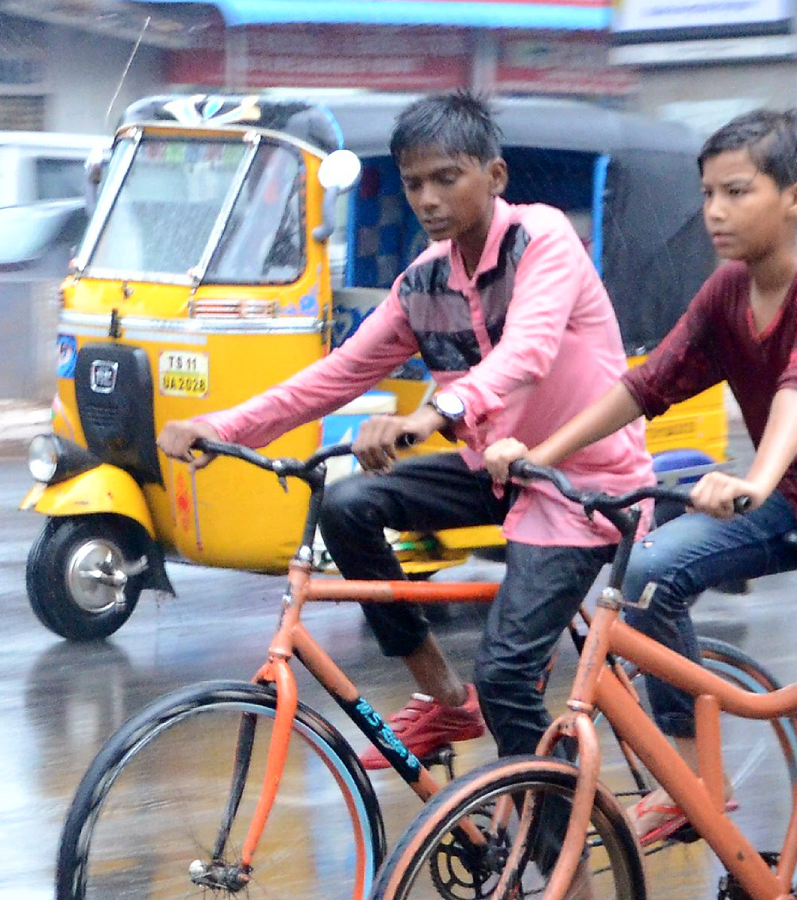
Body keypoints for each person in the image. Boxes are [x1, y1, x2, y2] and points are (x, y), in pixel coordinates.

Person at [485, 108, 797, 900]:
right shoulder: (728, 291)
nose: (716, 213)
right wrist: (540, 455)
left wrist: (756, 478)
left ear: (796, 197)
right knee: (650, 576)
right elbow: (645, 384)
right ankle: (692, 779)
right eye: (707, 195)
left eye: (738, 192)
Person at [157, 91, 653, 776]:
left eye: (447, 177)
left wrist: (431, 417)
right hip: (494, 473)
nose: (427, 198)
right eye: (414, 182)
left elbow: (527, 352)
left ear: (495, 176)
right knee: (345, 506)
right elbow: (336, 376)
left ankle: (552, 848)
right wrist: (220, 426)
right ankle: (446, 696)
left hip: (578, 485)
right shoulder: (423, 282)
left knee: (507, 674)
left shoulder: (542, 241)